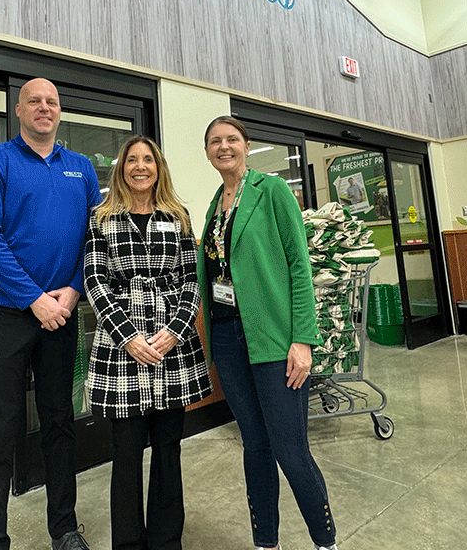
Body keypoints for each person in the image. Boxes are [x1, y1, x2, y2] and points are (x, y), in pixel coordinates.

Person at [0, 78, 101, 550]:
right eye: (35, 102)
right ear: (19, 110)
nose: (45, 108)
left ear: (59, 112)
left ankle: (64, 530)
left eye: (53, 102)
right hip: (6, 313)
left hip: (62, 314)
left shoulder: (81, 168)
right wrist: (34, 299)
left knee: (59, 421)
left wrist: (74, 290)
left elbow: (99, 240)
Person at [197, 116, 338, 550]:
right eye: (215, 141)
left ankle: (325, 540)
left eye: (232, 139)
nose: (224, 147)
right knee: (254, 446)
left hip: (274, 338)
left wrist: (303, 340)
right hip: (227, 336)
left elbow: (300, 265)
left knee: (290, 451)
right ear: (207, 152)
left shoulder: (272, 191)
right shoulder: (214, 205)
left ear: (247, 144)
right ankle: (266, 542)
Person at [83, 136, 211, 550]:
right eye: (132, 160)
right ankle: (128, 544)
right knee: (125, 457)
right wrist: (128, 337)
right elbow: (94, 281)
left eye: (148, 160)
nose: (140, 166)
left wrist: (175, 331)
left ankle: (165, 540)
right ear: (121, 169)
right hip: (122, 353)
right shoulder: (101, 218)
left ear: (159, 168)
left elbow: (193, 282)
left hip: (173, 349)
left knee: (169, 450)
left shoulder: (179, 217)